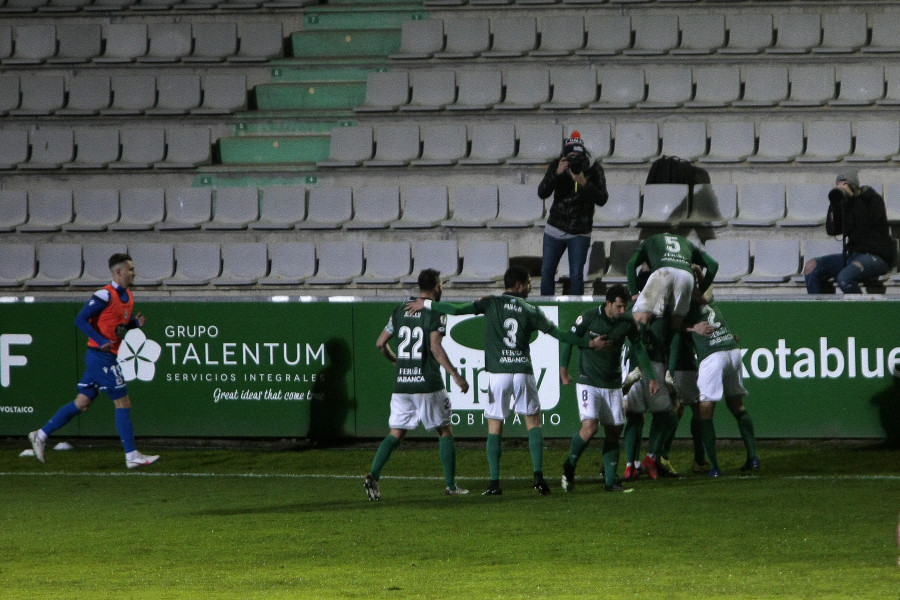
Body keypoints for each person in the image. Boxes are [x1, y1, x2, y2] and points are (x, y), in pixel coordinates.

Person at [406, 265, 607, 496]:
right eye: (529, 283)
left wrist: (428, 303)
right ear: (519, 285)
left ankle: (494, 483)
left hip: (497, 373)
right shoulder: (531, 309)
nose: (530, 287)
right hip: (522, 371)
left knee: (495, 425)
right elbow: (560, 334)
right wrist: (589, 344)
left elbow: (457, 309)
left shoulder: (490, 302)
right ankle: (538, 478)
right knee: (533, 422)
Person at [27, 253, 159, 469]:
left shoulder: (128, 296)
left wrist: (134, 324)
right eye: (131, 269)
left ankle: (40, 435)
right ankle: (131, 455)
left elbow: (117, 328)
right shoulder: (104, 295)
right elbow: (80, 319)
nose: (134, 273)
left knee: (82, 403)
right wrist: (100, 340)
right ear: (118, 272)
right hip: (101, 356)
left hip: (105, 355)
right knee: (122, 402)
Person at [364, 269, 471, 501]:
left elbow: (380, 343)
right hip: (427, 382)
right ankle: (451, 485)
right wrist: (455, 375)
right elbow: (435, 347)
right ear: (436, 288)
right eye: (441, 284)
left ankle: (373, 475)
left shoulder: (401, 309)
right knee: (444, 430)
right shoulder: (435, 312)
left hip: (402, 384)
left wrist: (397, 362)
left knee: (396, 433)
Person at [559, 284, 657, 493]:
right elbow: (569, 340)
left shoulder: (628, 323)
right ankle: (569, 466)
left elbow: (638, 347)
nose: (623, 311)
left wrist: (651, 377)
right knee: (591, 428)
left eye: (626, 307)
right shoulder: (588, 317)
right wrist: (564, 369)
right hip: (588, 381)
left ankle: (611, 482)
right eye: (619, 307)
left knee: (614, 431)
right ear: (608, 304)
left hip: (613, 384)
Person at [683, 286, 760, 477]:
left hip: (713, 356)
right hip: (732, 351)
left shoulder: (686, 306)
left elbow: (673, 325)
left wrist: (693, 328)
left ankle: (714, 467)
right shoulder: (711, 302)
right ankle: (753, 458)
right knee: (737, 406)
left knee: (704, 411)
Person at [537, 130, 608, 296]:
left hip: (580, 231)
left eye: (578, 156)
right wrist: (557, 174)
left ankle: (576, 310)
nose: (574, 160)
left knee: (576, 274)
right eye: (571, 157)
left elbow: (602, 198)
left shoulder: (594, 169)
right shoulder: (557, 165)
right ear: (565, 156)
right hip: (555, 228)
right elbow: (542, 192)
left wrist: (584, 182)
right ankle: (545, 309)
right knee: (547, 272)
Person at [804, 172, 896, 294]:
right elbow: (832, 230)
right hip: (853, 255)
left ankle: (859, 312)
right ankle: (816, 310)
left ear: (854, 185)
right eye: (839, 185)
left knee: (845, 278)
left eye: (845, 184)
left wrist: (854, 198)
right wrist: (835, 204)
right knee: (811, 266)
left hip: (876, 257)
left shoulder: (872, 199)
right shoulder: (845, 204)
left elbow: (868, 221)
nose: (842, 187)